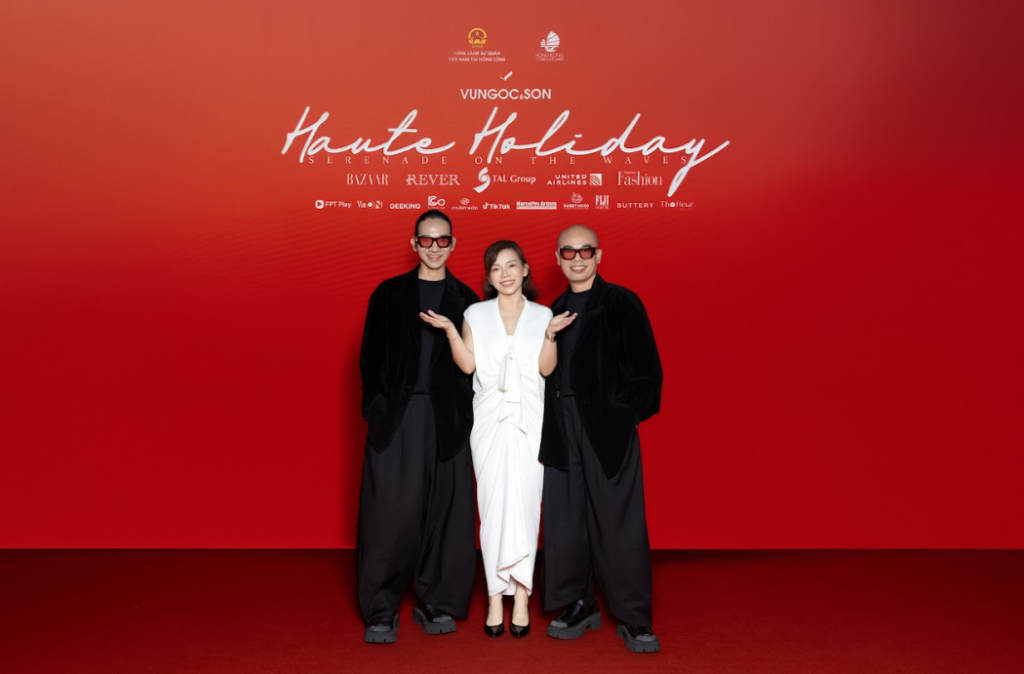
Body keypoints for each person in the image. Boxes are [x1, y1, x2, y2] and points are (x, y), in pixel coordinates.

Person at [421, 241, 575, 638]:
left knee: (526, 504)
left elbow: (546, 370)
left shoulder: (543, 314)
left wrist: (551, 336)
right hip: (488, 420)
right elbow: (468, 365)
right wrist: (451, 332)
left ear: (525, 269)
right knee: (491, 507)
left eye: (511, 266)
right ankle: (494, 595)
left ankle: (521, 595)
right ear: (489, 276)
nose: (504, 274)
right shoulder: (475, 313)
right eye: (495, 268)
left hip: (530, 421)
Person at [356, 210, 479, 644]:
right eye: (426, 240)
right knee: (390, 512)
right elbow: (370, 359)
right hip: (398, 416)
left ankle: (437, 601)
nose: (434, 248)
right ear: (414, 244)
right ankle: (381, 607)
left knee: (446, 511)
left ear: (453, 244)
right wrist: (378, 408)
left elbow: (475, 365)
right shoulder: (388, 294)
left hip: (448, 418)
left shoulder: (468, 300)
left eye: (442, 240)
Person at [539, 225, 664, 653]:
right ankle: (579, 602)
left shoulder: (621, 302)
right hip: (560, 427)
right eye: (569, 252)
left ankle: (634, 614)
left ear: (599, 255)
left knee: (618, 520)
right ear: (557, 258)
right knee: (565, 520)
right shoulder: (552, 310)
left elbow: (647, 370)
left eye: (585, 251)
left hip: (606, 426)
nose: (577, 258)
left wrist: (625, 416)